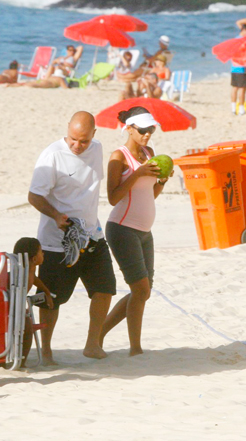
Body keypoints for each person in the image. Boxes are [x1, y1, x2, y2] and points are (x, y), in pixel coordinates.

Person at [28, 111, 116, 363]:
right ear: (67, 130)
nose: (78, 146)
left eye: (84, 141)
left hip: (91, 235)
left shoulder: (97, 149)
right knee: (51, 300)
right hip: (56, 243)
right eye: (73, 139)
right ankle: (45, 350)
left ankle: (92, 344)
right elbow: (34, 196)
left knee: (104, 289)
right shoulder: (52, 155)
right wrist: (56, 215)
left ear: (94, 136)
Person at [100, 107, 170, 356]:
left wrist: (162, 180)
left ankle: (97, 335)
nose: (148, 134)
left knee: (143, 292)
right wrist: (138, 173)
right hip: (122, 229)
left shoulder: (150, 153)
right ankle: (135, 349)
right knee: (140, 290)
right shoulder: (118, 157)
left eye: (151, 129)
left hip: (144, 231)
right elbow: (112, 197)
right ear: (129, 129)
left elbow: (149, 195)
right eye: (142, 130)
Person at [12, 237, 54, 362]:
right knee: (27, 331)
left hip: (18, 305)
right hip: (12, 306)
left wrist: (47, 292)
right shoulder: (21, 271)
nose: (43, 254)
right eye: (41, 251)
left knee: (26, 329)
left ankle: (20, 359)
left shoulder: (30, 268)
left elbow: (35, 279)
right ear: (34, 258)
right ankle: (22, 361)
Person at [230, 23, 246, 115]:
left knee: (235, 88)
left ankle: (233, 108)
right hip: (241, 67)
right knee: (242, 88)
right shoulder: (243, 41)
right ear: (245, 30)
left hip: (234, 66)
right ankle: (241, 108)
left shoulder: (235, 39)